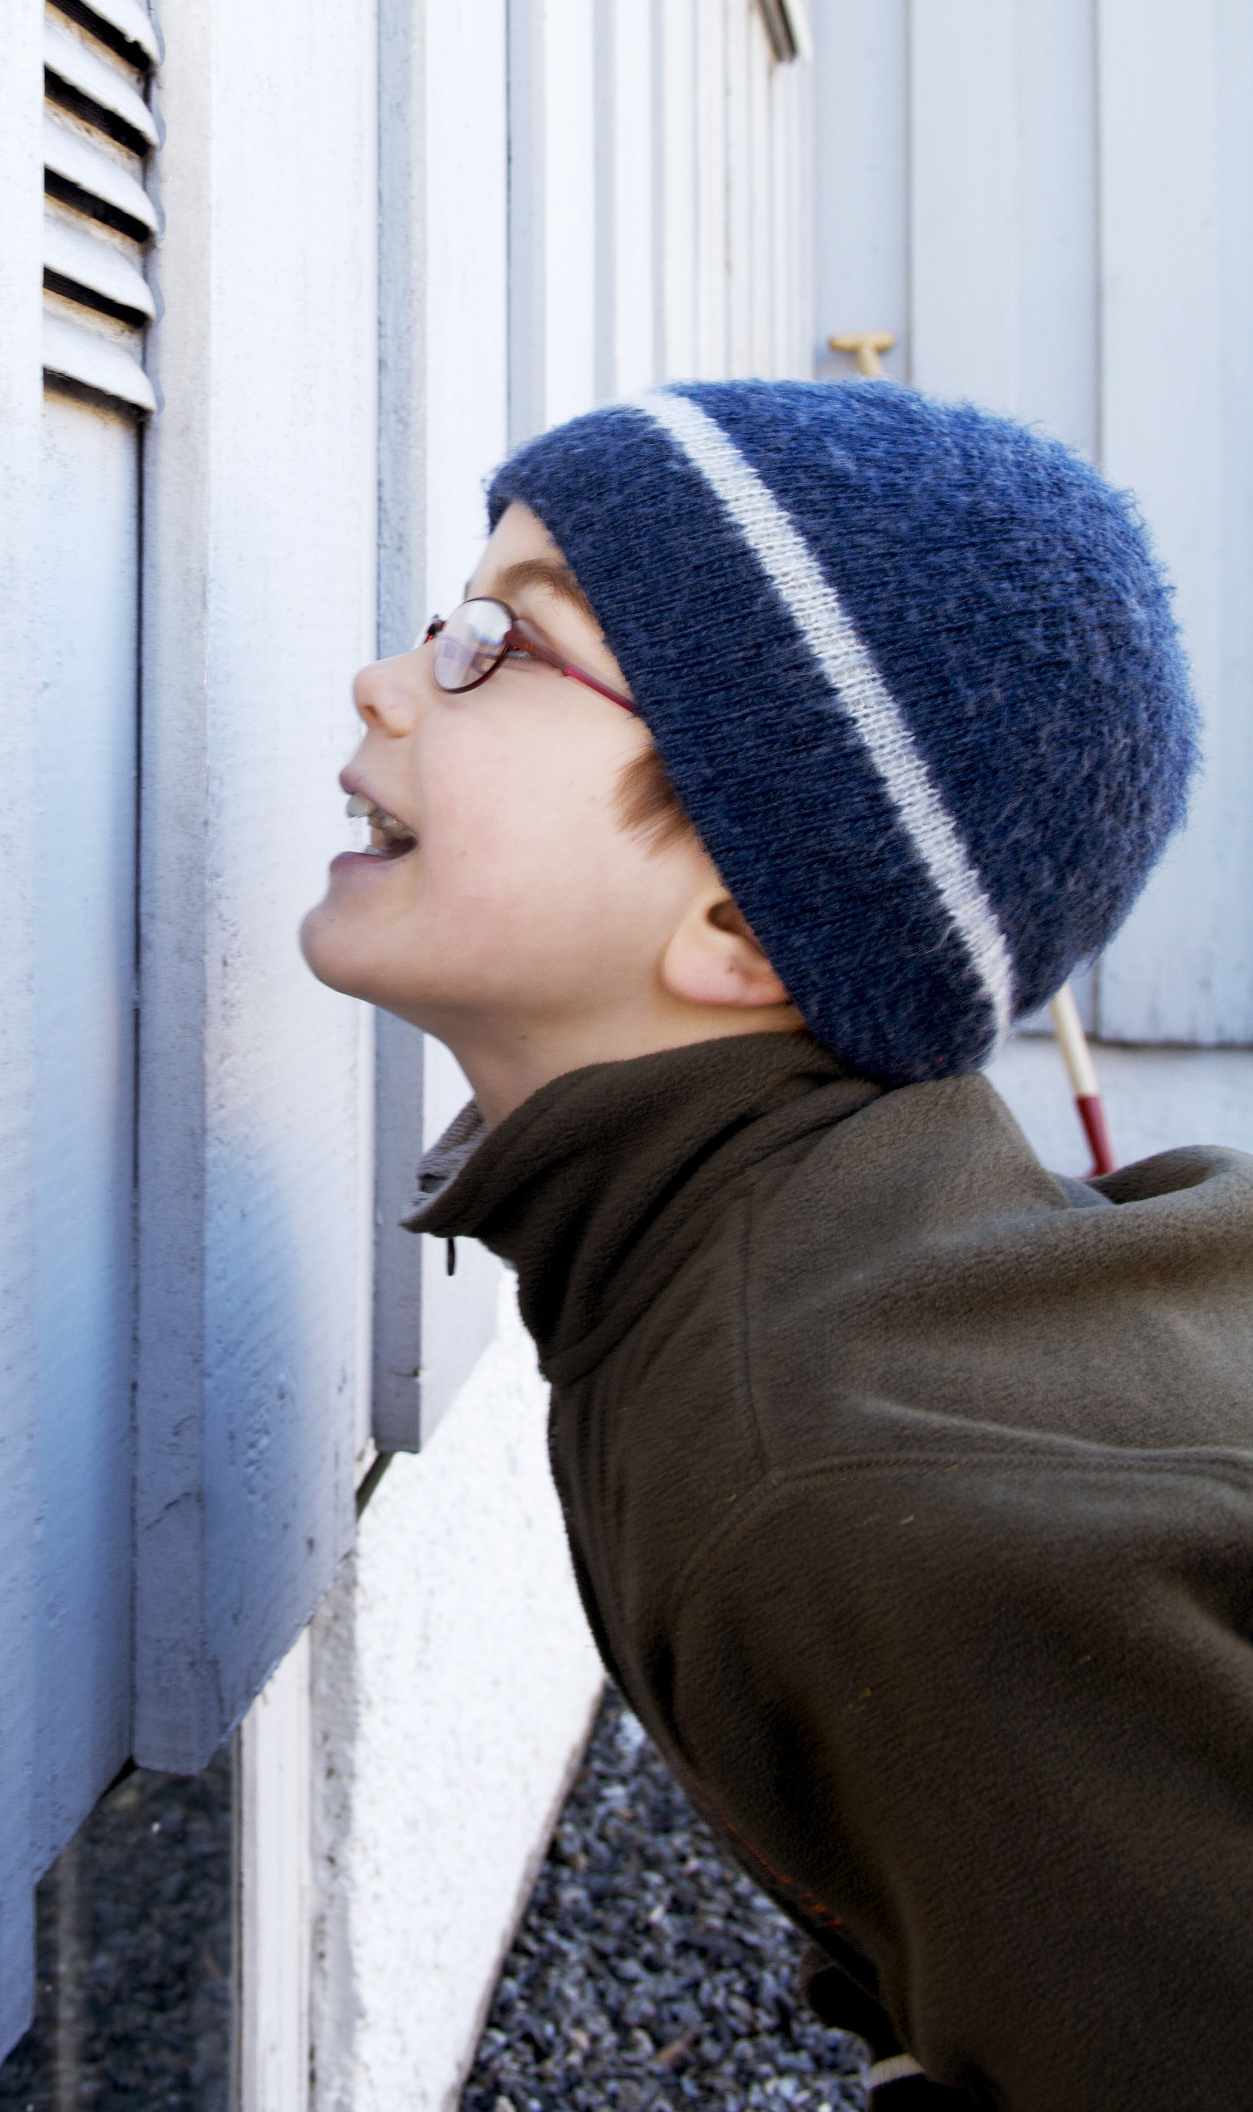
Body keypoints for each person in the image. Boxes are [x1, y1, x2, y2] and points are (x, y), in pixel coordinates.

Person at [300, 378, 1253, 2110]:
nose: (388, 675)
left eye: (498, 647)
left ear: (740, 920)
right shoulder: (715, 1281)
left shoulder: (851, 1497)